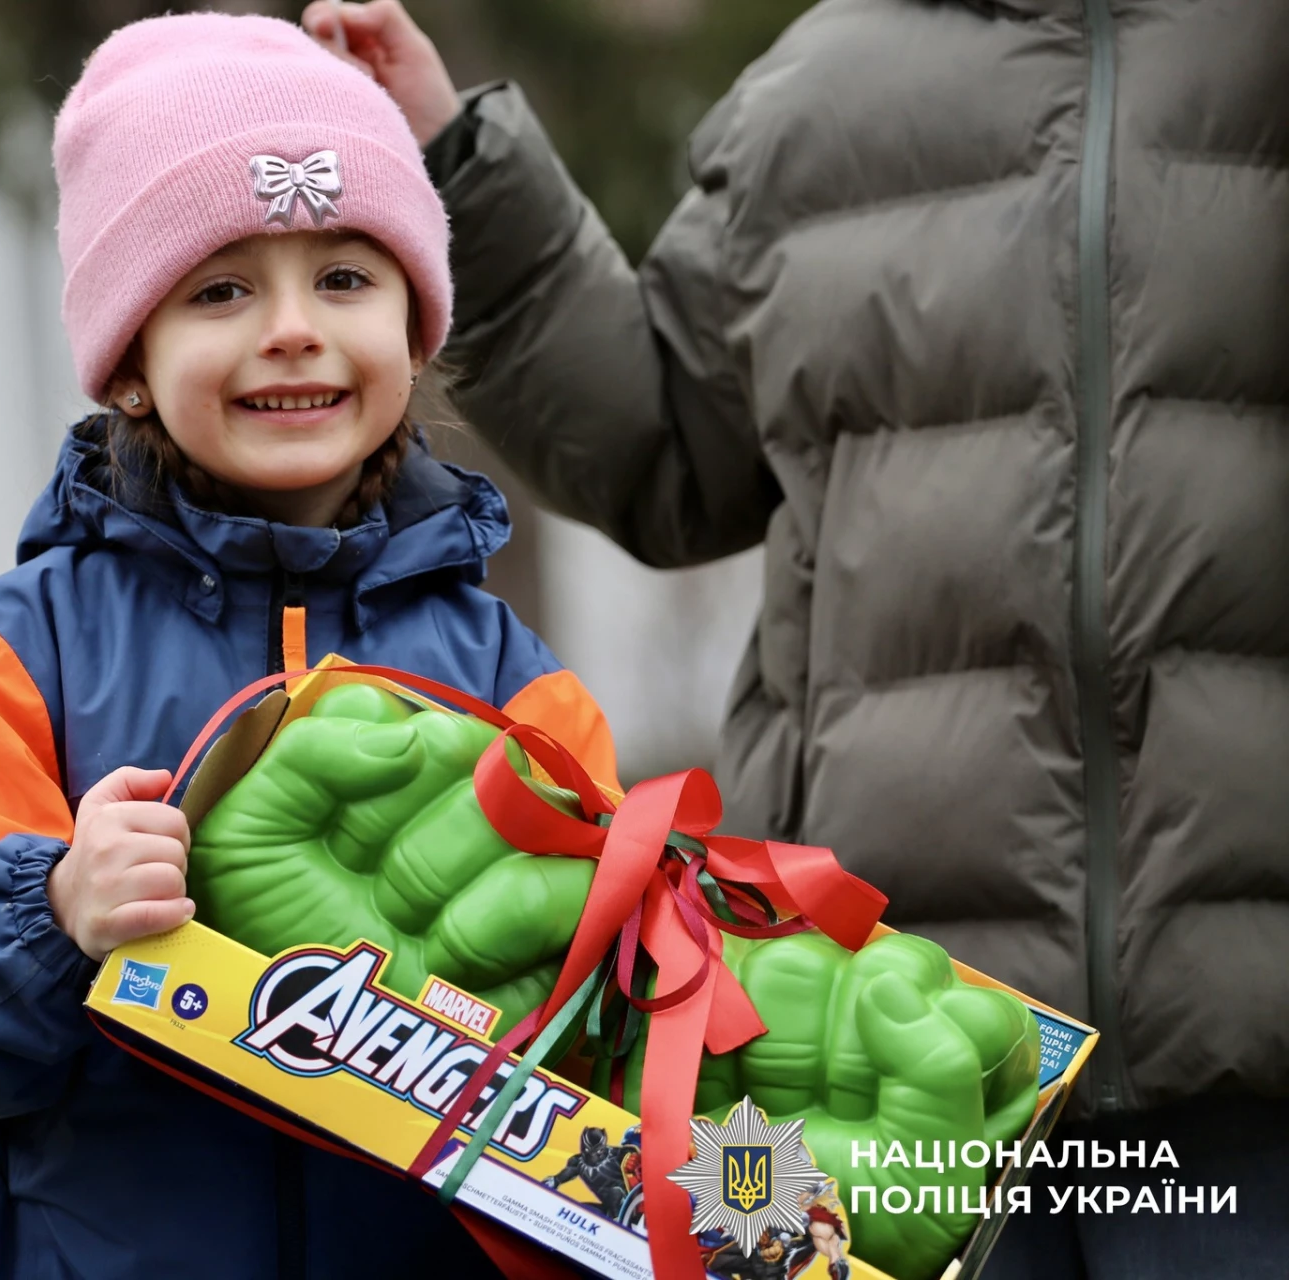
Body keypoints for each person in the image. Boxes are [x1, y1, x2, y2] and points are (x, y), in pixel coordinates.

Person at [301, 2, 1287, 1276]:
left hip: (1253, 1050)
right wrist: (460, 170)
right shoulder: (822, 86)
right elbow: (666, 448)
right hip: (885, 1030)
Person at [0, 13, 618, 1279]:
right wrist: (52, 907)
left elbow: (608, 1023)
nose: (292, 328)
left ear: (412, 329)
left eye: (345, 278)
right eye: (222, 289)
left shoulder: (514, 678)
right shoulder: (8, 658)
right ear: (130, 358)